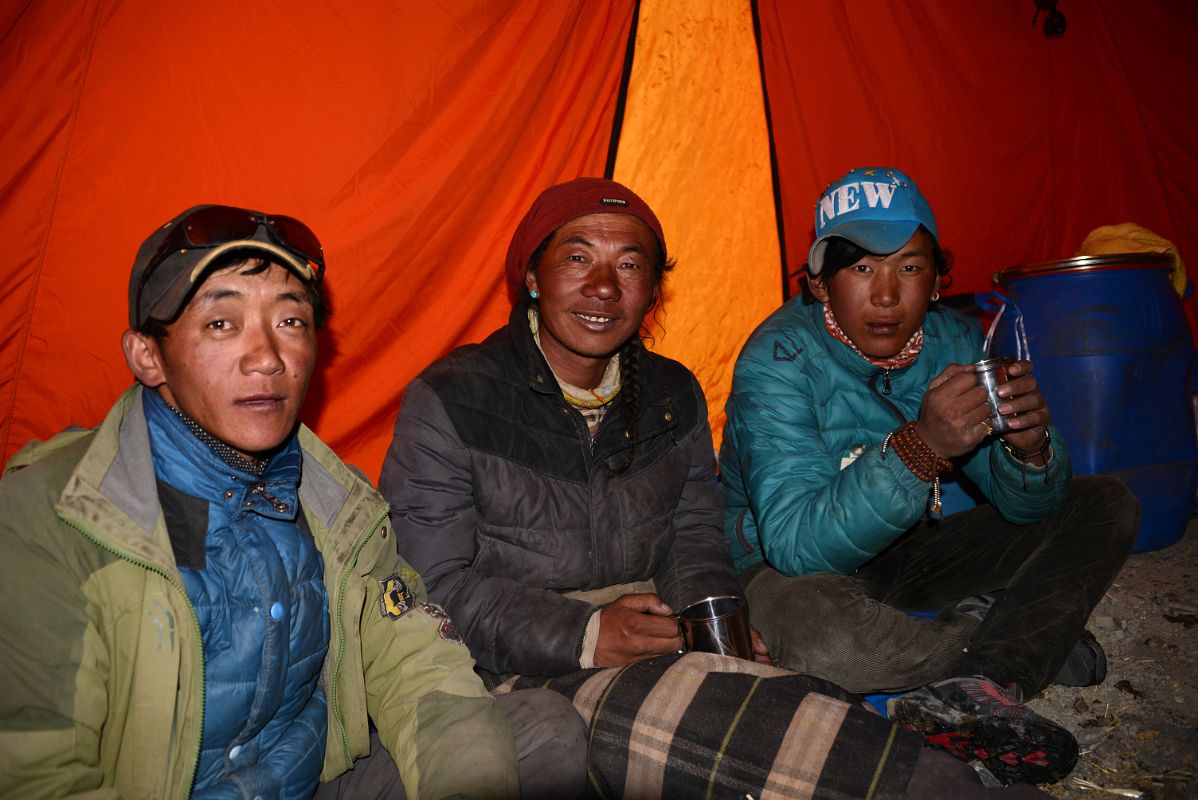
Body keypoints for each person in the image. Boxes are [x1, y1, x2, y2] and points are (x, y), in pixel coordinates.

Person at [380, 177, 1053, 799]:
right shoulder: (454, 400)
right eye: (578, 258)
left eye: (632, 265)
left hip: (647, 626)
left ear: (652, 291)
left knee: (795, 704)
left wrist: (715, 622)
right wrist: (586, 633)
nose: (606, 287)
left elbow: (694, 535)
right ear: (531, 275)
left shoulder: (670, 394)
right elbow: (425, 589)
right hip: (513, 660)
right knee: (741, 739)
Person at [0, 205, 584, 799]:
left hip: (307, 782)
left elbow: (417, 664)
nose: (268, 359)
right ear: (148, 355)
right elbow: (38, 777)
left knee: (542, 734)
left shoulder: (332, 504)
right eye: (221, 324)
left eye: (290, 321)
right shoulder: (55, 518)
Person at [720, 166, 1140, 786]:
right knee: (829, 645)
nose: (888, 295)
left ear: (938, 280)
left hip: (912, 547)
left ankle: (983, 679)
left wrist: (1027, 454)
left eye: (910, 267)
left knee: (1104, 502)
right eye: (861, 268)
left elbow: (1025, 510)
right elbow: (794, 542)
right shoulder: (776, 359)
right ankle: (1013, 648)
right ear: (818, 284)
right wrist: (920, 448)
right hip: (788, 567)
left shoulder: (955, 339)